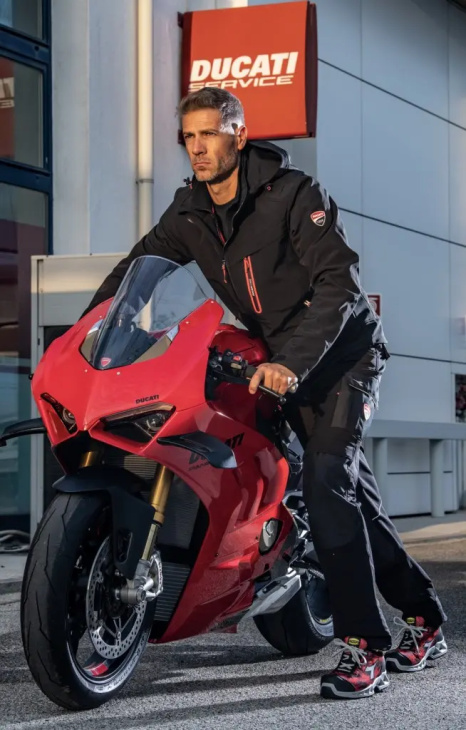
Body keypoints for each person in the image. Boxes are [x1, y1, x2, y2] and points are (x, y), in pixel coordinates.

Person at [82, 88, 447, 700]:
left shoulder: (294, 195)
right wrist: (90, 330)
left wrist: (291, 364)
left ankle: (366, 646)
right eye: (189, 137)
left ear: (238, 134)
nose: (197, 148)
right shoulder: (189, 212)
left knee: (327, 482)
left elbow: (340, 285)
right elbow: (135, 269)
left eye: (209, 135)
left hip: (342, 357)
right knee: (352, 497)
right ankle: (425, 618)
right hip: (277, 362)